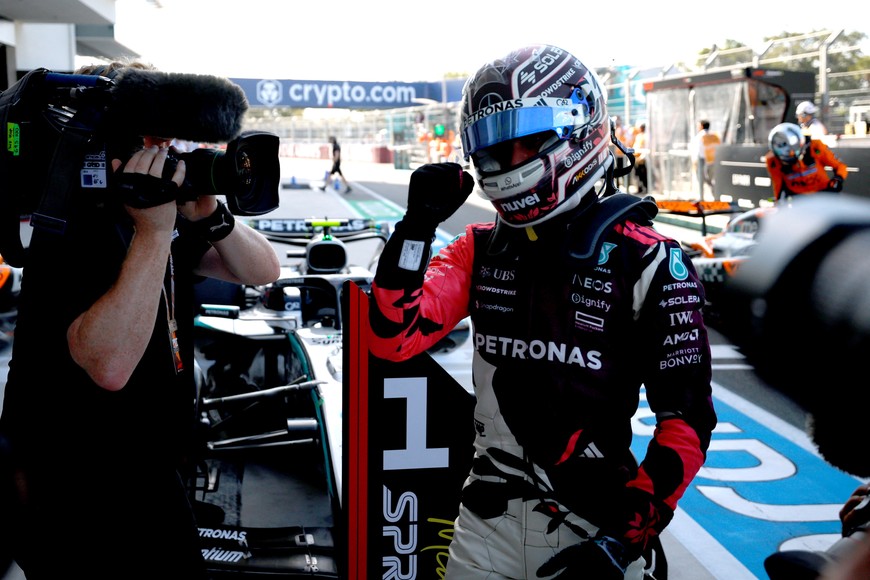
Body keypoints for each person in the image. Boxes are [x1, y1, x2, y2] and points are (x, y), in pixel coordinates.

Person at [367, 44, 717, 579]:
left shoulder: (651, 260)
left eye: (525, 142)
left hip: (598, 528)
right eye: (494, 148)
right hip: (484, 528)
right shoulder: (477, 247)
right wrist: (414, 230)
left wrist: (620, 545)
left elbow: (686, 423)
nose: (507, 164)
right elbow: (392, 339)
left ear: (580, 130)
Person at [0, 60, 281, 578]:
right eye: (151, 138)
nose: (166, 155)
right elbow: (108, 366)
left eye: (169, 142)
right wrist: (154, 235)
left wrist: (212, 216)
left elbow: (262, 271)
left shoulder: (147, 210)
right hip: (75, 485)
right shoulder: (74, 225)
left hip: (144, 465)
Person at [765, 122, 848, 202]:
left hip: (823, 195)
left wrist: (838, 179)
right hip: (798, 200)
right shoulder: (772, 161)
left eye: (792, 154)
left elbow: (840, 166)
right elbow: (778, 187)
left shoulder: (816, 147)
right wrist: (779, 204)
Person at [689, 119, 721, 200]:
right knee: (711, 180)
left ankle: (701, 198)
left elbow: (697, 150)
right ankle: (716, 197)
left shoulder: (700, 136)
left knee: (701, 180)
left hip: (702, 161)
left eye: (698, 125)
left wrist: (695, 162)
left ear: (702, 126)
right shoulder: (714, 135)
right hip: (713, 161)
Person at [632, 122, 649, 193]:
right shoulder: (638, 136)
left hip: (642, 159)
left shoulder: (646, 136)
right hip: (637, 159)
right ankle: (639, 188)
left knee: (643, 175)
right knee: (637, 175)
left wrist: (643, 156)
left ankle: (645, 188)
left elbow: (646, 147)